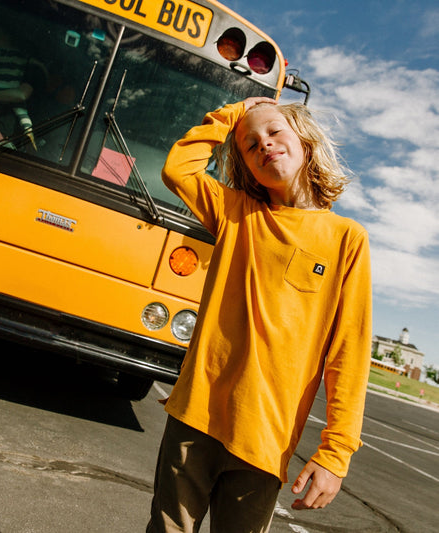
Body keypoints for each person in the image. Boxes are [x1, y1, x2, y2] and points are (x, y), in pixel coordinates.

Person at [146, 96, 372, 533]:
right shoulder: (235, 213)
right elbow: (178, 169)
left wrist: (336, 453)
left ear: (305, 141)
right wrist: (234, 113)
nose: (263, 145)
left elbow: (349, 355)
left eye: (274, 132)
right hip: (195, 416)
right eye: (249, 145)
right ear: (246, 167)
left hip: (266, 439)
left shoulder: (347, 238)